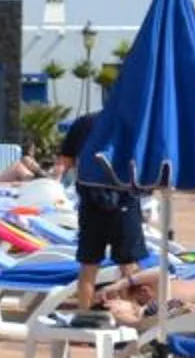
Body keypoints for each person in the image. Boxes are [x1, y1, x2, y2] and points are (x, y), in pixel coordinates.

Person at [58, 108, 148, 311]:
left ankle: (85, 318)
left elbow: (67, 161)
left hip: (91, 201)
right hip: (125, 199)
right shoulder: (135, 125)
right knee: (129, 269)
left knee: (89, 267)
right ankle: (130, 321)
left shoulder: (84, 122)